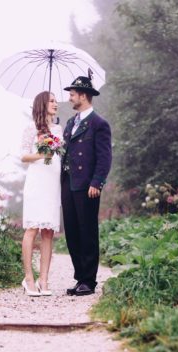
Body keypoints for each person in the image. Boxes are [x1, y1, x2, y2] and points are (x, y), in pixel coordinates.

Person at [61, 76, 112, 296]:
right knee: (72, 232)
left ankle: (89, 282)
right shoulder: (71, 122)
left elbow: (104, 157)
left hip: (87, 185)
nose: (70, 97)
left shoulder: (99, 124)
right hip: (68, 184)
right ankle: (80, 277)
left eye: (72, 94)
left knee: (87, 231)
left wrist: (97, 182)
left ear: (83, 95)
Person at [20, 91, 62, 296]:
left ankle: (43, 280)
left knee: (48, 232)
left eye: (56, 100)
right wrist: (41, 153)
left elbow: (60, 155)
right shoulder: (31, 129)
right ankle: (28, 278)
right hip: (37, 183)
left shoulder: (59, 129)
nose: (56, 104)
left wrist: (55, 148)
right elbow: (23, 155)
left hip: (52, 183)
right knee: (32, 229)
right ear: (42, 105)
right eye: (52, 101)